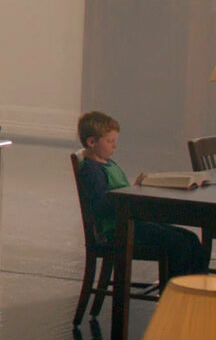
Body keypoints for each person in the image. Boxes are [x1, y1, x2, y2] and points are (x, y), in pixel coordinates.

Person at [75, 110, 205, 283]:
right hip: (118, 230)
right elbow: (101, 205)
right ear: (92, 142)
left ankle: (197, 292)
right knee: (179, 244)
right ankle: (174, 297)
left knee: (191, 238)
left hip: (130, 222)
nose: (114, 146)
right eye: (110, 141)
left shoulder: (107, 163)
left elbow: (118, 191)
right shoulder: (92, 170)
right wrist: (132, 194)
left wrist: (136, 188)